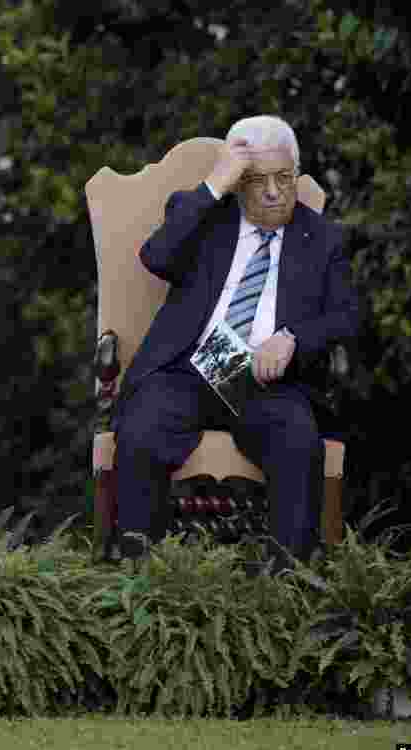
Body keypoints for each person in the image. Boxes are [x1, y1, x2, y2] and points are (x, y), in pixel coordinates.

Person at [112, 115, 361, 568]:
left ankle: (289, 581)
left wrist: (293, 338)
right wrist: (214, 185)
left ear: (297, 174)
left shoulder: (322, 237)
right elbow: (156, 257)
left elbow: (347, 316)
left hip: (267, 379)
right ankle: (137, 575)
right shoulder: (205, 216)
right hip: (189, 370)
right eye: (256, 180)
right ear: (238, 181)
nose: (271, 192)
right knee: (142, 430)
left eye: (283, 179)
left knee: (297, 440)